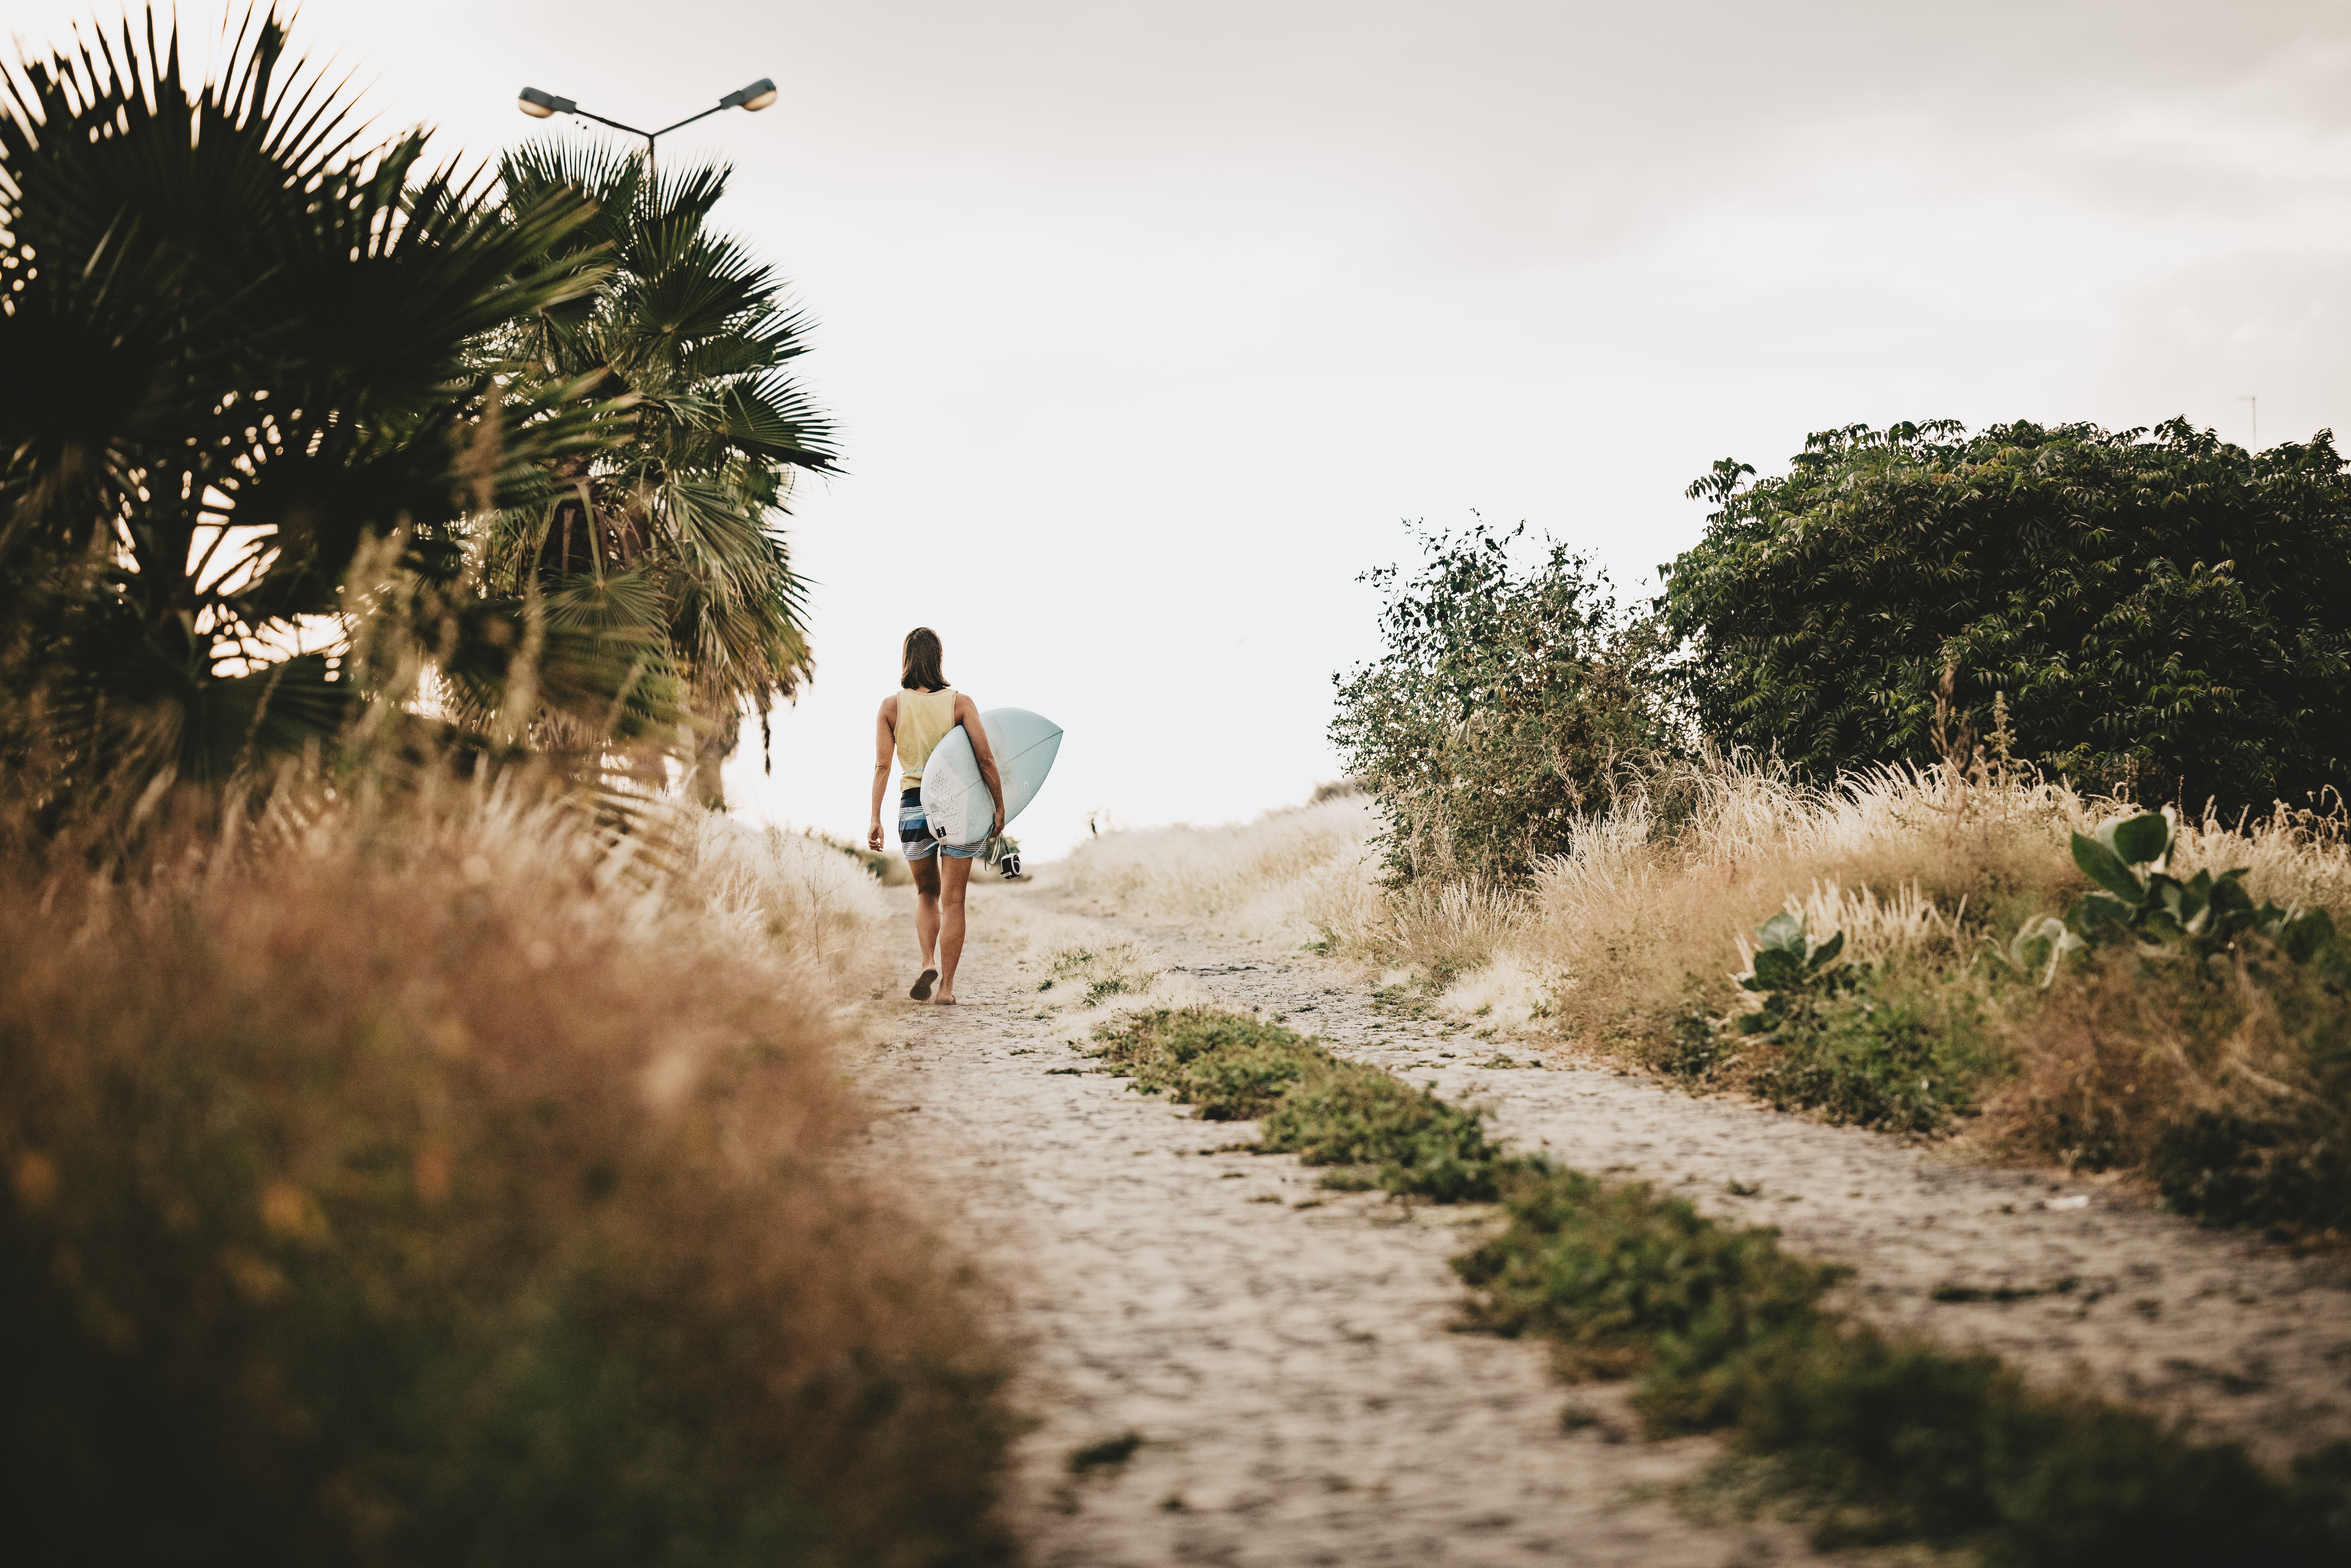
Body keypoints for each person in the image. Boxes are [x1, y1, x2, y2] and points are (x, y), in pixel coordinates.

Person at [868, 627, 1005, 1004]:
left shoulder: (891, 707)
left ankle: (928, 960)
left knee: (926, 893)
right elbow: (985, 758)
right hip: (958, 803)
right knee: (954, 901)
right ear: (938, 659)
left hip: (913, 805)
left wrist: (875, 818)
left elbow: (882, 766)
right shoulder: (960, 703)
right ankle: (946, 990)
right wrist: (999, 803)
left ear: (906, 659)